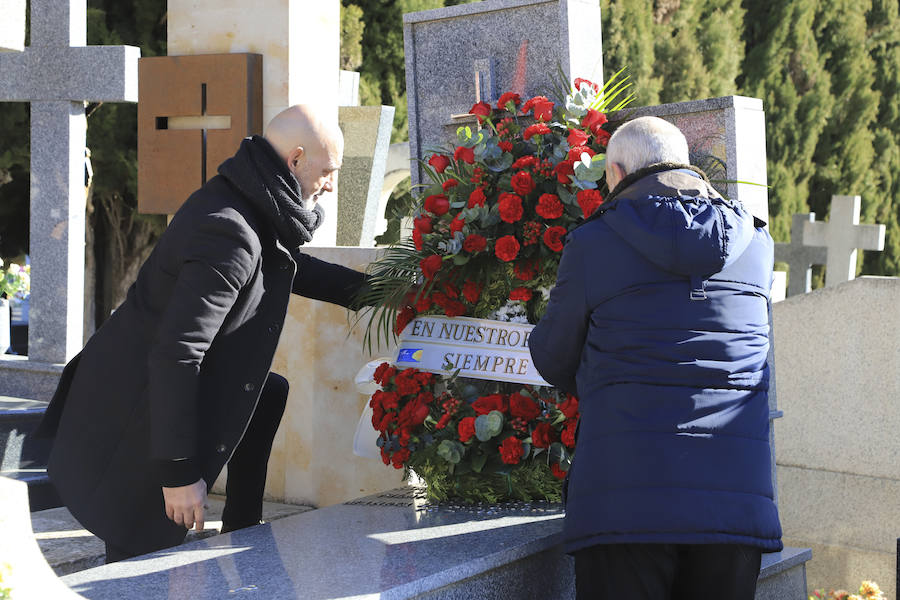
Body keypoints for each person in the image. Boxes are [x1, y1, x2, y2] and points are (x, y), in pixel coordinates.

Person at [36, 105, 368, 562]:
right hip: (133, 409)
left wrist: (386, 292)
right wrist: (177, 474)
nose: (331, 183)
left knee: (266, 392)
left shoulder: (249, 201)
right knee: (139, 558)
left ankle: (243, 533)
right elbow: (177, 353)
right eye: (328, 171)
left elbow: (286, 265)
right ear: (294, 160)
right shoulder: (230, 231)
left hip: (151, 383)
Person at [529, 116, 782, 599]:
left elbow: (553, 357)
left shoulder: (594, 243)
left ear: (618, 172)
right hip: (732, 498)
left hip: (627, 498)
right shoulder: (756, 243)